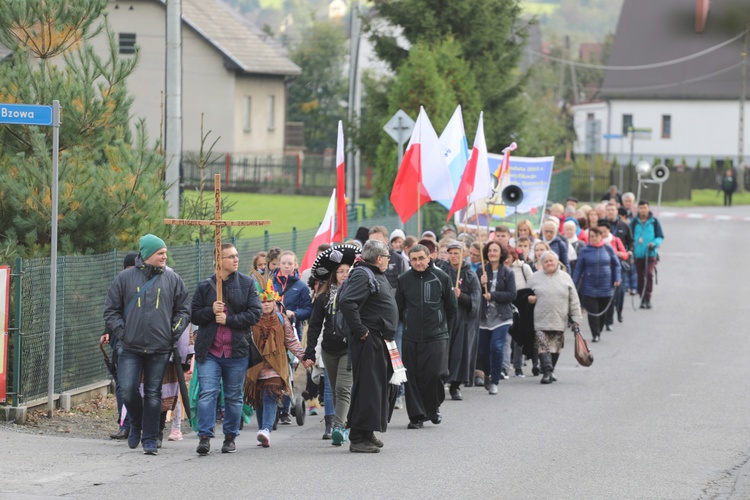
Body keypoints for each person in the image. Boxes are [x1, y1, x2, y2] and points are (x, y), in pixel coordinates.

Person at [103, 234, 190, 455]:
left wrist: (174, 329)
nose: (165, 256)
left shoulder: (173, 279)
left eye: (165, 253)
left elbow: (183, 309)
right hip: (129, 346)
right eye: (160, 253)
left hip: (160, 347)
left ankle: (150, 439)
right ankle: (136, 425)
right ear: (148, 254)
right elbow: (111, 310)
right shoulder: (125, 278)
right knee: (129, 390)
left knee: (153, 394)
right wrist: (122, 332)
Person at [191, 243, 262, 455]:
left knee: (233, 396)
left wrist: (229, 319)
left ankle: (230, 437)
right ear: (218, 260)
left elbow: (254, 314)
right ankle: (204, 436)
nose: (235, 259)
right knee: (208, 394)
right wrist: (210, 311)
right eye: (230, 256)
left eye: (236, 256)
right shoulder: (205, 286)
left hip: (236, 351)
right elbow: (194, 314)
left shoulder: (247, 284)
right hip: (210, 351)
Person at [338, 240, 399, 453]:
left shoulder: (372, 273)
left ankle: (367, 431)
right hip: (369, 340)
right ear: (379, 258)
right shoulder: (363, 274)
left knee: (376, 388)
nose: (389, 261)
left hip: (379, 340)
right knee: (368, 388)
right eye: (388, 257)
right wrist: (361, 330)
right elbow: (347, 302)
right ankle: (357, 438)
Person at [245, 282, 313, 448]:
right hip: (255, 366)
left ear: (275, 302)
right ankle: (262, 429)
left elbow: (291, 341)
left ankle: (266, 430)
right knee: (259, 399)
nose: (266, 305)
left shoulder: (282, 320)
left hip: (276, 366)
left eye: (269, 301)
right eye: (262, 302)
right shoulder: (250, 320)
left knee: (270, 393)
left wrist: (303, 357)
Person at [304, 244, 360, 446]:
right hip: (328, 349)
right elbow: (315, 325)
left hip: (349, 348)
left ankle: (337, 426)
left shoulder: (356, 295)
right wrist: (309, 350)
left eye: (348, 271)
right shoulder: (323, 297)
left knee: (344, 388)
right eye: (341, 271)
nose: (344, 275)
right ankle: (342, 425)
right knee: (335, 389)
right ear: (334, 274)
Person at [396, 244, 457, 426]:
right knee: (412, 377)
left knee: (435, 374)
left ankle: (433, 407)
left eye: (421, 258)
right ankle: (416, 416)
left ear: (429, 257)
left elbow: (451, 308)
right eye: (414, 259)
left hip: (437, 335)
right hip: (411, 336)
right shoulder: (404, 280)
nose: (418, 262)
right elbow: (398, 308)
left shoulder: (442, 278)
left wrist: (443, 327)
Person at [526, 251, 583, 384]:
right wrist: (529, 298)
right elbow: (525, 296)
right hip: (540, 319)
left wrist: (576, 318)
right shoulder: (534, 278)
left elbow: (574, 299)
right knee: (542, 344)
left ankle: (550, 370)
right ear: (542, 264)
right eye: (546, 261)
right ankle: (546, 372)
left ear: (557, 262)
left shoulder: (565, 277)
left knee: (555, 347)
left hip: (559, 317)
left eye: (551, 261)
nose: (549, 263)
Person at [100, 251, 139, 440]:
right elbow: (112, 310)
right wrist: (107, 331)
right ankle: (124, 424)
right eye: (128, 269)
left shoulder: (145, 284)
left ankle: (139, 424)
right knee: (122, 384)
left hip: (143, 341)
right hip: (121, 341)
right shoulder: (120, 284)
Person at [271, 250, 312, 422]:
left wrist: (293, 313)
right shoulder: (271, 283)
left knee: (288, 370)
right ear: (279, 264)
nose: (287, 266)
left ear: (295, 265)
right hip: (272, 332)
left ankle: (285, 408)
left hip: (292, 330)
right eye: (284, 263)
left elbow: (308, 310)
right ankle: (274, 403)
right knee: (274, 368)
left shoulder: (300, 286)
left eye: (290, 263)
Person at [476, 241, 517, 395]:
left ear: (501, 254)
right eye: (490, 250)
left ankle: (494, 381)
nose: (492, 253)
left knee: (496, 347)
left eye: (496, 250)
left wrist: (493, 295)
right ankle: (487, 373)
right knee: (483, 351)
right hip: (484, 317)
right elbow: (475, 293)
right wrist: (481, 284)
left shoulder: (508, 272)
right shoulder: (481, 270)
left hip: (502, 317)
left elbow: (512, 295)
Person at [443, 241, 481, 400]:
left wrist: (461, 296)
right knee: (442, 352)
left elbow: (475, 300)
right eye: (450, 253)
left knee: (459, 352)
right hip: (444, 318)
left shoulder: (469, 274)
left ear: (463, 254)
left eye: (456, 253)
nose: (453, 256)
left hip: (462, 319)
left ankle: (455, 385)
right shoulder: (442, 271)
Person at [571, 227, 621, 343]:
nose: (593, 239)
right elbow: (578, 269)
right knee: (593, 312)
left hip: (606, 286)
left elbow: (616, 264)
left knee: (602, 312)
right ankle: (595, 334)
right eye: (591, 237)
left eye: (596, 236)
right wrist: (573, 284)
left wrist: (617, 278)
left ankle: (599, 329)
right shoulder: (585, 250)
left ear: (600, 236)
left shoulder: (608, 249)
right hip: (589, 286)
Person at [630, 201, 664, 309]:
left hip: (650, 253)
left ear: (648, 208)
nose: (643, 210)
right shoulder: (634, 222)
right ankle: (642, 297)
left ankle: (648, 298)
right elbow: (629, 238)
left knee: (649, 274)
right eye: (640, 208)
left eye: (645, 208)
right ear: (638, 209)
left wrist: (654, 244)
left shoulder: (654, 221)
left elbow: (660, 236)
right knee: (640, 277)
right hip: (638, 254)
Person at [505, 247, 533, 378]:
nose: (505, 259)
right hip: (505, 304)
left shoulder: (523, 268)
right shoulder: (498, 269)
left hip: (521, 304)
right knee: (505, 338)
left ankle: (518, 367)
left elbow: (533, 284)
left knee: (518, 338)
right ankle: (504, 366)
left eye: (508, 256)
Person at [599, 220, 628, 326]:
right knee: (607, 297)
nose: (602, 235)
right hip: (603, 272)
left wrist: (619, 254)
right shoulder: (597, 242)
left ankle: (619, 311)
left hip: (616, 270)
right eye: (600, 232)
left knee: (619, 294)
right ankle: (608, 320)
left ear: (609, 231)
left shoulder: (615, 240)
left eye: (604, 232)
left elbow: (625, 255)